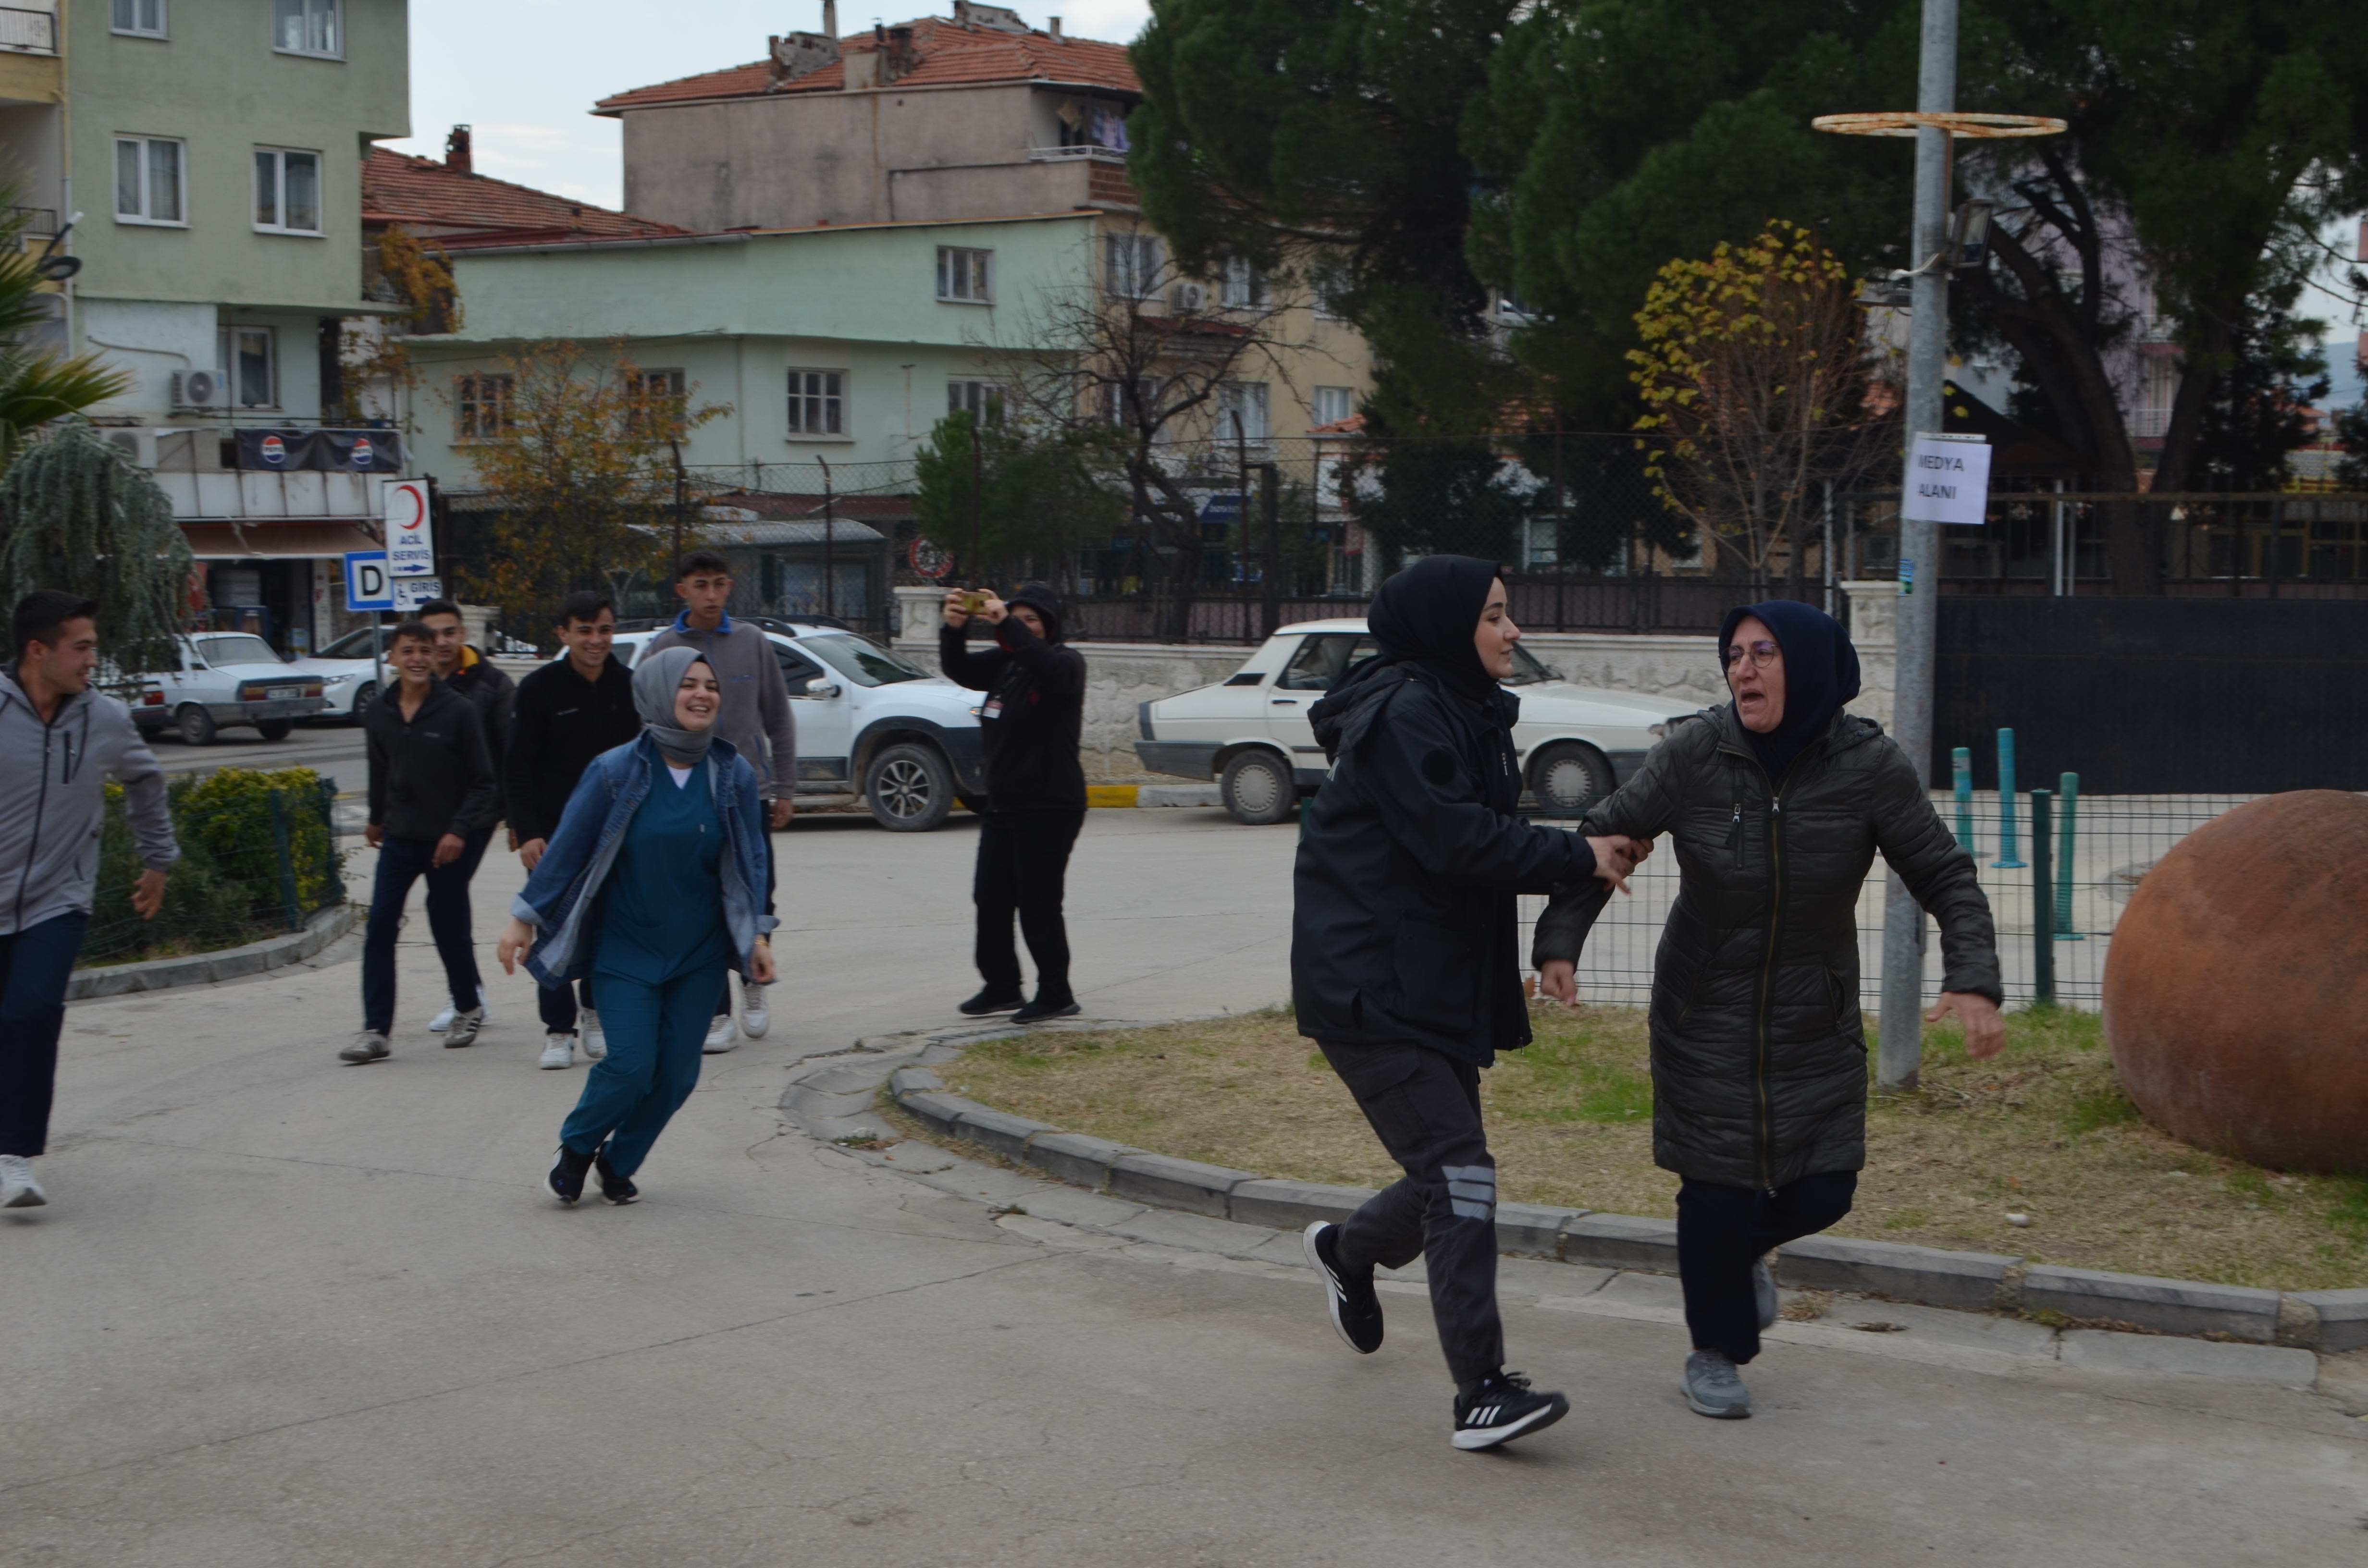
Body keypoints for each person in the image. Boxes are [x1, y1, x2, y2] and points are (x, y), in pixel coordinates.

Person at [1533, 600, 2002, 1420]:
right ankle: (1713, 1348)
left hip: (1810, 1011)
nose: (1741, 668)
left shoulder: (1868, 766)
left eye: (1763, 653)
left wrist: (1973, 976)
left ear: (1812, 665)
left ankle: (1734, 1256)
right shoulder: (1694, 752)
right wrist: (1558, 944)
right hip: (1701, 1006)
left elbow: (1945, 875)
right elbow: (1605, 835)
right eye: (1733, 654)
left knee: (1825, 1188)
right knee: (1713, 1190)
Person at [1289, 557, 1644, 1452]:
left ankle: (1347, 1251)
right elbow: (1457, 840)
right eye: (1494, 614)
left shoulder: (1461, 705)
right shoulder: (1405, 712)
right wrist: (1577, 855)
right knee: (1460, 1173)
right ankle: (1480, 1388)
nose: (1511, 630)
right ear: (1451, 627)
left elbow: (1471, 848)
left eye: (1508, 612)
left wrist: (1564, 892)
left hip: (1427, 982)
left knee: (1442, 1175)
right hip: (1367, 984)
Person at [496, 647, 777, 1204]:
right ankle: (577, 1146)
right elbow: (568, 850)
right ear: (656, 693)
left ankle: (619, 1160)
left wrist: (760, 933)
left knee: (676, 1075)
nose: (702, 695)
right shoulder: (615, 770)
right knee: (629, 1065)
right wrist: (521, 920)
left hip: (697, 951)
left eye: (710, 686)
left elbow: (752, 861)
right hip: (626, 948)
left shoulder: (732, 772)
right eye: (687, 684)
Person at [0, 592, 179, 1209]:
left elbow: (146, 779)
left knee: (31, 1011)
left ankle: (14, 1157)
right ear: (37, 650)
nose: (91, 660)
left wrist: (157, 860)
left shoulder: (102, 718)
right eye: (81, 647)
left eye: (92, 647)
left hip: (58, 898)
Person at [647, 551, 794, 1054]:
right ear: (681, 590)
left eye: (718, 584)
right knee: (702, 900)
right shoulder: (663, 648)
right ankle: (714, 1011)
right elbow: (646, 723)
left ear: (729, 587)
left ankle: (754, 980)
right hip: (690, 793)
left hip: (749, 789)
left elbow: (778, 719)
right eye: (700, 585)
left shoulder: (752, 642)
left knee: (757, 891)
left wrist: (785, 788)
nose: (710, 595)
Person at [342, 619, 500, 1064]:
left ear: (435, 658)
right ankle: (375, 1030)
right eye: (408, 650)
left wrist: (458, 831)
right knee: (380, 929)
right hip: (399, 838)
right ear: (392, 657)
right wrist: (376, 818)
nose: (417, 659)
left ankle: (467, 1007)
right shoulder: (379, 712)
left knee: (449, 928)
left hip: (445, 841)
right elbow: (380, 767)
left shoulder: (459, 711)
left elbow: (484, 783)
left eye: (425, 652)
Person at [937, 582, 1088, 1024]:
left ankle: (1057, 993)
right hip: (1004, 806)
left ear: (1049, 626)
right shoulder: (1007, 664)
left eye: (1031, 620)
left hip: (1049, 805)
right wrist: (955, 627)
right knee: (991, 897)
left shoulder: (1065, 663)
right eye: (1015, 617)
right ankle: (1002, 986)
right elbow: (960, 668)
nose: (1021, 628)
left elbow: (1048, 668)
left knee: (1038, 901)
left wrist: (1006, 625)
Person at [506, 590, 641, 1070]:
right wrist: (527, 832)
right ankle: (558, 1029)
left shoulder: (631, 686)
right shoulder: (539, 690)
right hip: (554, 837)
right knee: (551, 929)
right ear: (563, 634)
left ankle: (595, 1014)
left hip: (616, 836)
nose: (595, 640)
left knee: (608, 930)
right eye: (584, 631)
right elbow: (518, 767)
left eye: (604, 630)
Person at [417, 598, 514, 1036]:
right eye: (431, 634)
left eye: (448, 632)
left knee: (445, 899)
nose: (441, 642)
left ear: (462, 634)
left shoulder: (491, 685)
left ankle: (468, 998)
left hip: (476, 813)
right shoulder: (412, 684)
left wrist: (516, 818)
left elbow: (513, 753)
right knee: (445, 902)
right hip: (428, 816)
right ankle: (467, 992)